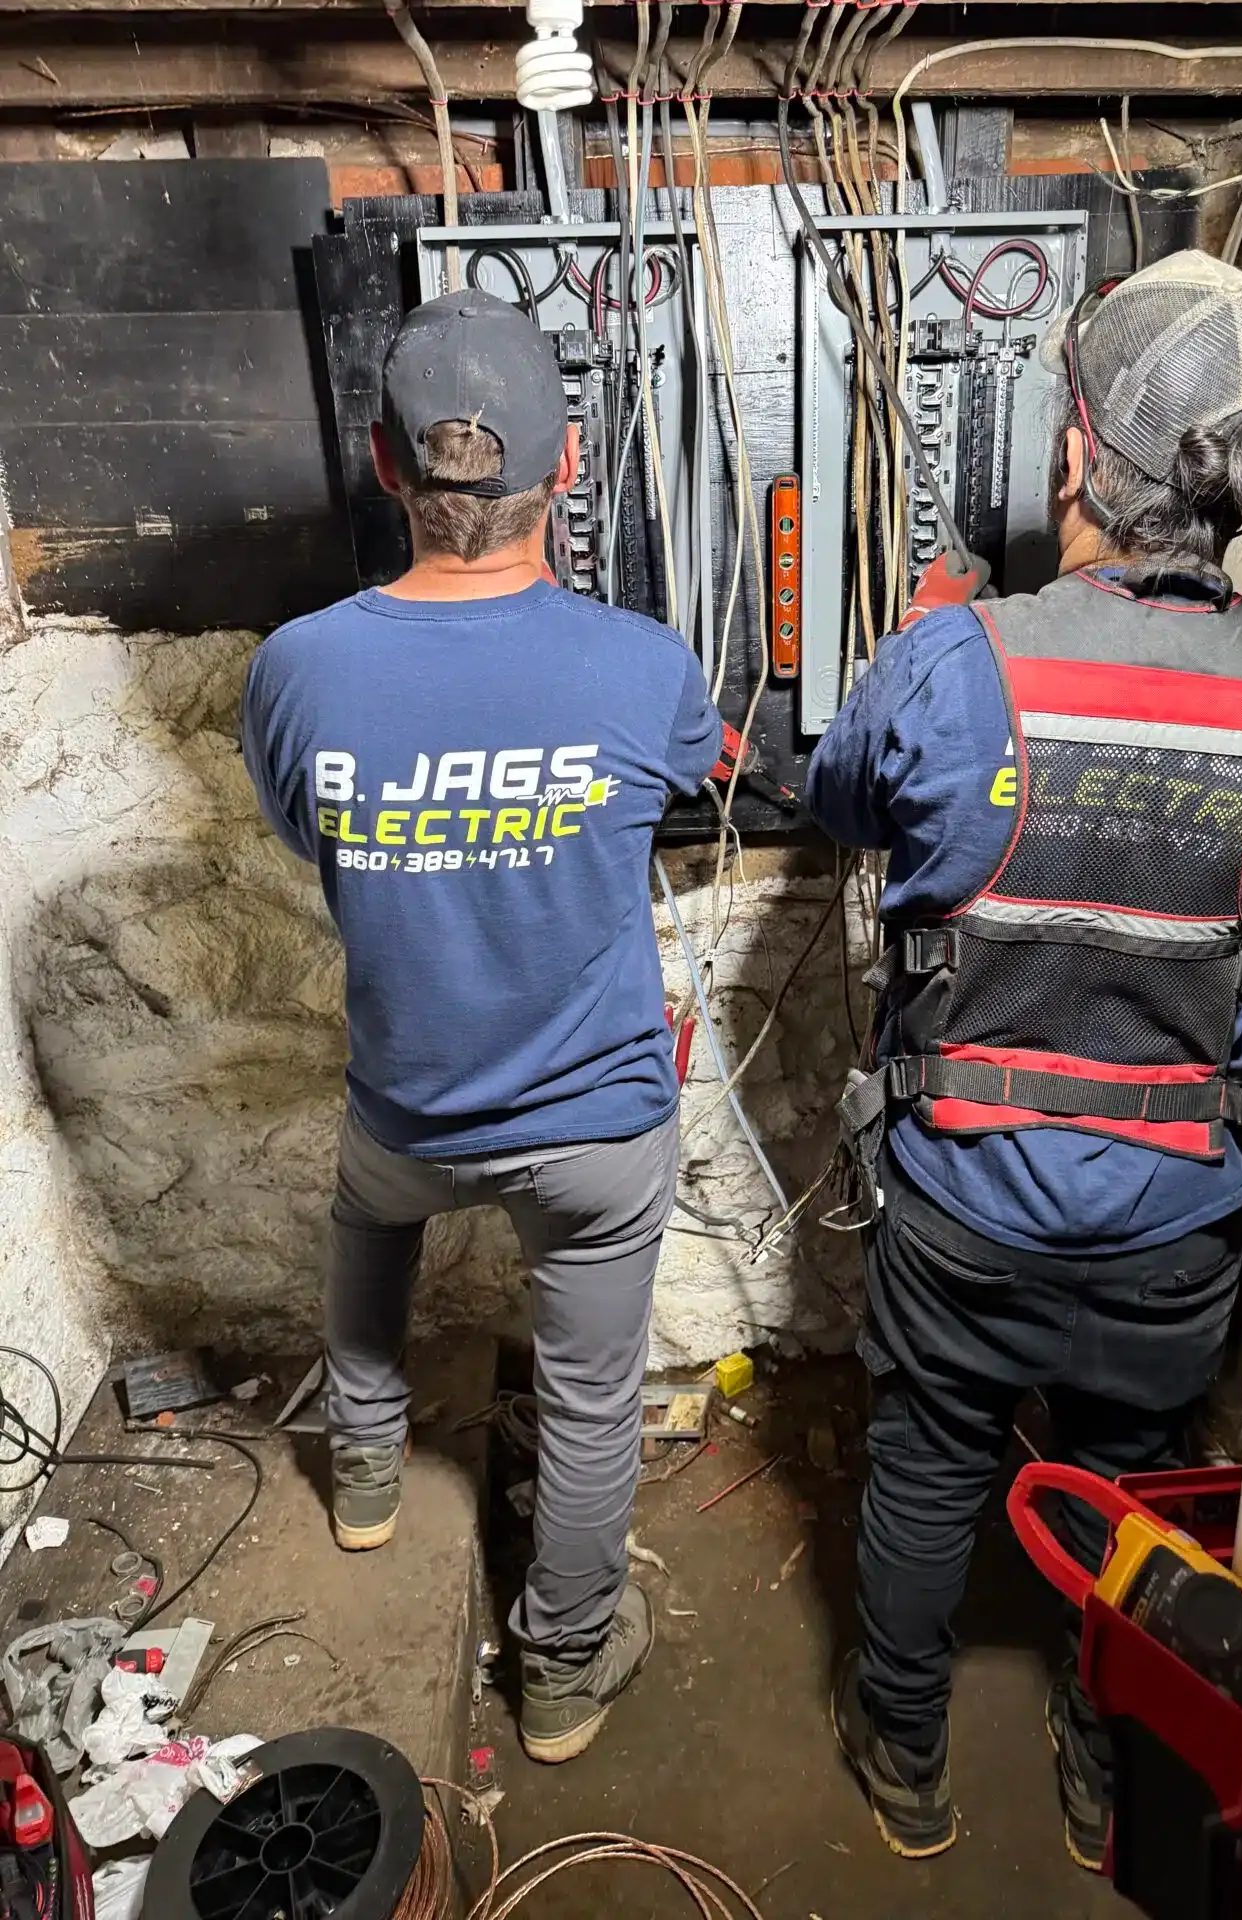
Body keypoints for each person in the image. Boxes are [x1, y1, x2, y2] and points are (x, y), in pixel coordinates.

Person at [806, 252, 1242, 1864]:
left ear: (1076, 454)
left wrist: (931, 652)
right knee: (1129, 1497)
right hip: (1178, 1218)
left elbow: (845, 804)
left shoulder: (960, 660)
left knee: (923, 1467)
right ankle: (1107, 1751)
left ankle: (901, 1753)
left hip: (966, 1193)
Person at [242, 290, 721, 1764]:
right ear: (565, 467)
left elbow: (302, 830)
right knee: (587, 1404)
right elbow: (700, 777)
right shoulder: (646, 668)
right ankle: (562, 1680)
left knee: (366, 1219)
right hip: (594, 1136)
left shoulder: (299, 668)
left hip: (411, 1114)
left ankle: (370, 1482)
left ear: (386, 467)